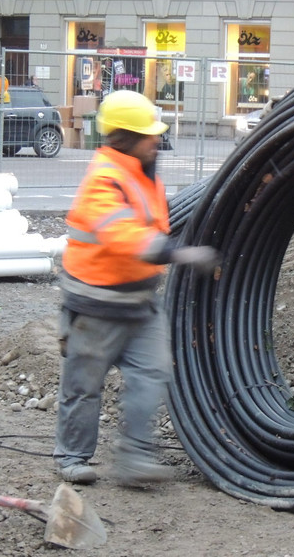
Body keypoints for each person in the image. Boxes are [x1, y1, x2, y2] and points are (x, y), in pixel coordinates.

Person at [54, 90, 219, 486]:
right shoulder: (104, 180)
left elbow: (154, 225)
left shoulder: (144, 175)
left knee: (152, 373)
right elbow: (125, 236)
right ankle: (72, 457)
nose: (156, 140)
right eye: (149, 135)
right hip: (96, 304)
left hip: (141, 302)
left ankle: (134, 457)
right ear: (124, 138)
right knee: (84, 385)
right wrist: (179, 254)